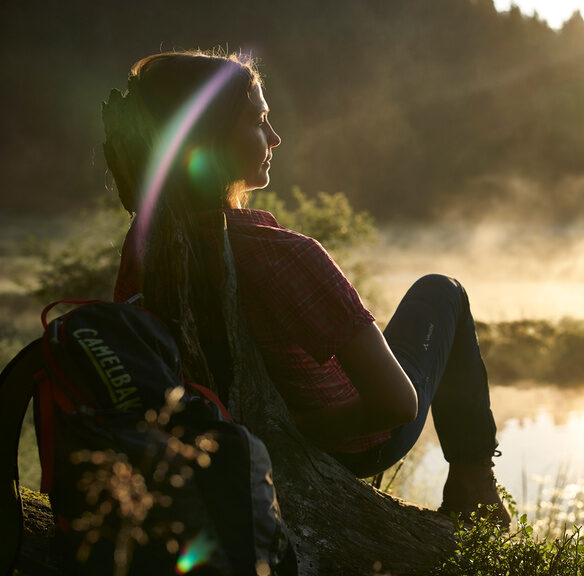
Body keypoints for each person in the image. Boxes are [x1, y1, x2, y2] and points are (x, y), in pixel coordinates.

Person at [104, 51, 510, 526]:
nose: (275, 137)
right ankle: (474, 486)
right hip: (348, 443)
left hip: (224, 439)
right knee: (443, 291)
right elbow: (399, 405)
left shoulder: (149, 244)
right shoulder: (283, 255)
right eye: (258, 122)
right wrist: (294, 433)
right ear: (209, 138)